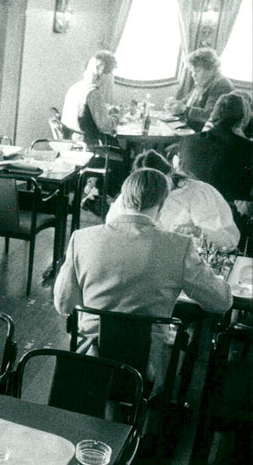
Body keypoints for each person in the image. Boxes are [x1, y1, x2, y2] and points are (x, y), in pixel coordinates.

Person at [53, 169, 232, 389]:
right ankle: (154, 415)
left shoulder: (81, 239)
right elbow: (221, 301)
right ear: (163, 202)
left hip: (90, 359)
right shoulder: (180, 245)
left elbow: (63, 305)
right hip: (147, 367)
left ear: (123, 197)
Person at [106, 150, 240, 250]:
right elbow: (111, 233)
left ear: (170, 174)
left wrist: (198, 232)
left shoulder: (197, 193)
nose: (155, 191)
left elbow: (229, 241)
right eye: (148, 187)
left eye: (160, 183)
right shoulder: (130, 195)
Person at [176, 92, 252, 204]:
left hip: (187, 205)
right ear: (242, 119)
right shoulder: (247, 148)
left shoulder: (187, 140)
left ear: (214, 114)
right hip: (223, 211)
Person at [61, 51, 121, 147]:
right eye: (110, 72)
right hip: (88, 148)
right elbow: (105, 127)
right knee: (121, 151)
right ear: (102, 73)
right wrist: (117, 117)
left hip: (71, 144)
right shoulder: (93, 93)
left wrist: (105, 112)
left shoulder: (75, 87)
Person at [168, 47, 233, 132]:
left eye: (197, 71)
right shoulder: (202, 81)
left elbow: (210, 115)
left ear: (211, 69)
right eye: (192, 71)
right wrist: (175, 104)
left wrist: (184, 109)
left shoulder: (221, 85)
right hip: (189, 128)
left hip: (203, 135)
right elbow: (187, 101)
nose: (193, 75)